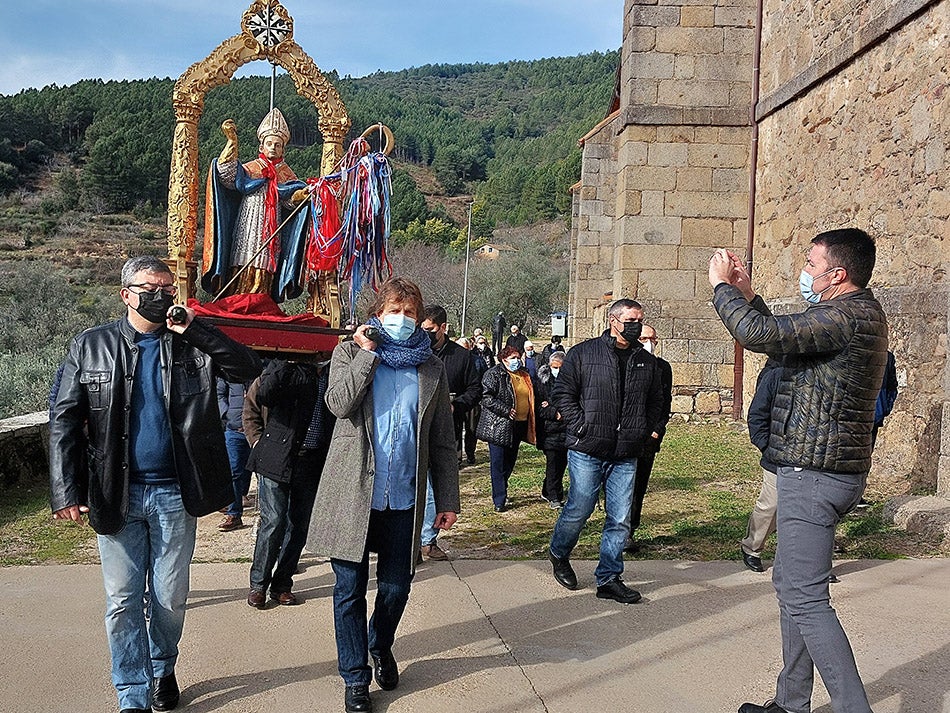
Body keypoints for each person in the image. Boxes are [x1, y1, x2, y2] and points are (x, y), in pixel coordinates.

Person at [49, 255, 262, 713]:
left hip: (174, 491)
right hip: (116, 492)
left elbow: (248, 369)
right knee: (123, 599)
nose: (160, 296)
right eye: (150, 288)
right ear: (126, 294)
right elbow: (64, 420)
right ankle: (132, 692)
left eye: (167, 288)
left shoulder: (190, 345)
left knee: (169, 596)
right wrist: (66, 489)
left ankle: (162, 666)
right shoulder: (91, 345)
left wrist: (198, 329)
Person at [708, 228, 887, 713]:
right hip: (824, 470)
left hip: (814, 474)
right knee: (791, 587)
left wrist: (722, 289)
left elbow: (760, 336)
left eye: (811, 264)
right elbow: (786, 342)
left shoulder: (844, 316)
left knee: (807, 600)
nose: (805, 272)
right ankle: (790, 703)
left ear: (838, 275)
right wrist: (749, 296)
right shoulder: (851, 315)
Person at [306, 277, 460, 713]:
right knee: (348, 590)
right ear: (378, 313)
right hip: (355, 492)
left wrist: (447, 499)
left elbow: (444, 439)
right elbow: (338, 403)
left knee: (396, 587)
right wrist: (368, 354)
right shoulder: (349, 352)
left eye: (410, 313)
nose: (402, 319)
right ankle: (355, 678)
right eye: (394, 311)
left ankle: (380, 643)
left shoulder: (431, 367)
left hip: (404, 497)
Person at [547, 299, 664, 604]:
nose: (636, 324)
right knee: (580, 507)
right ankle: (559, 552)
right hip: (588, 447)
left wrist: (648, 430)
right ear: (614, 321)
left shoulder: (646, 361)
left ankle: (609, 577)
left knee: (620, 518)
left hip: (626, 452)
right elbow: (562, 395)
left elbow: (656, 402)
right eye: (630, 319)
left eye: (640, 319)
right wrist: (580, 425)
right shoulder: (584, 354)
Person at [243, 357, 335, 608]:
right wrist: (257, 443)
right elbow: (258, 400)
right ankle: (258, 585)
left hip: (313, 460)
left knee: (300, 525)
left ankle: (282, 584)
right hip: (277, 458)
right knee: (273, 521)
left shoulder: (333, 374)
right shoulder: (284, 371)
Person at [201, 108, 310, 302]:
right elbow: (226, 175)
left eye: (278, 145)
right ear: (261, 146)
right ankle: (237, 294)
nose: (273, 148)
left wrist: (301, 194)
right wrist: (232, 142)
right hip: (249, 217)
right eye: (269, 143)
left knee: (266, 257)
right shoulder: (251, 168)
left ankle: (262, 297)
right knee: (245, 251)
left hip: (271, 223)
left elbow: (289, 200)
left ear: (283, 149)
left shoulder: (286, 173)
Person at [419, 305, 482, 561]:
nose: (426, 334)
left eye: (430, 330)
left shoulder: (462, 357)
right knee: (419, 488)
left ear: (443, 328)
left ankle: (428, 540)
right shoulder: (415, 353)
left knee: (439, 486)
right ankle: (417, 540)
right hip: (418, 432)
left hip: (448, 431)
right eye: (422, 330)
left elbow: (476, 389)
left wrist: (456, 406)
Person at [626, 324, 673, 552]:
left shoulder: (663, 368)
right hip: (624, 435)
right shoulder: (626, 362)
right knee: (621, 484)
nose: (648, 342)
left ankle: (630, 530)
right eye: (644, 337)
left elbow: (665, 405)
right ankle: (616, 527)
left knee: (639, 486)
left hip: (648, 437)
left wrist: (657, 430)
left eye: (652, 338)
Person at [476, 345, 537, 512]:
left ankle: (502, 487)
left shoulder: (524, 374)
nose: (516, 361)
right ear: (503, 360)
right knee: (498, 462)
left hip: (520, 424)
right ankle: (499, 499)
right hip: (499, 425)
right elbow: (486, 398)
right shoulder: (494, 374)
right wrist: (505, 409)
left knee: (509, 461)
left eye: (518, 357)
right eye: (512, 358)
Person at [739, 360, 782, 573]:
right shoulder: (774, 375)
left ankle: (812, 562)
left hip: (810, 459)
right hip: (778, 455)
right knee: (770, 505)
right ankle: (752, 547)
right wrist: (767, 446)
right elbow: (757, 416)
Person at [216, 377, 252, 532]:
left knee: (261, 475)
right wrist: (226, 413)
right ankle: (234, 514)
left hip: (257, 432)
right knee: (234, 472)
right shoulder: (229, 373)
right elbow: (219, 394)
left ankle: (266, 518)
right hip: (234, 430)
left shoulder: (262, 369)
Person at [534, 351, 567, 508]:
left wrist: (557, 408)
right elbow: (538, 406)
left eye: (560, 367)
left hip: (567, 430)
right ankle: (554, 496)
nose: (557, 370)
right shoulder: (542, 382)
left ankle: (548, 490)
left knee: (561, 464)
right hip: (549, 431)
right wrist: (554, 412)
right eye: (554, 367)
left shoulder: (570, 380)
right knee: (553, 464)